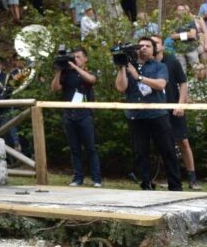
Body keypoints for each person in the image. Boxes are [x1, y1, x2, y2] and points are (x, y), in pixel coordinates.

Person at [115, 36, 182, 191]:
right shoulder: (128, 67)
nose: (143, 48)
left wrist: (139, 77)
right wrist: (122, 68)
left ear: (154, 50)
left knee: (168, 151)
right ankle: (146, 184)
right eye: (141, 46)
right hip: (136, 115)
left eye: (147, 46)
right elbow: (121, 88)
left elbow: (161, 84)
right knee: (140, 153)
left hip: (157, 114)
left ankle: (175, 186)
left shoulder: (159, 66)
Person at [51, 47, 101, 187]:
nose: (75, 59)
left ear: (85, 59)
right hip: (69, 114)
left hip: (85, 114)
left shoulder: (87, 72)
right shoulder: (66, 73)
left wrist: (75, 66)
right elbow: (55, 88)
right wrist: (59, 71)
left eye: (78, 57)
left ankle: (96, 179)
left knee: (90, 147)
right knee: (74, 148)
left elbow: (91, 80)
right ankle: (78, 178)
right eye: (73, 57)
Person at [160, 39, 198, 190]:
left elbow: (183, 83)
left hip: (175, 108)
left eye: (156, 43)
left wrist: (180, 104)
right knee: (164, 144)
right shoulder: (147, 63)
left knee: (183, 142)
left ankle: (192, 178)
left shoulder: (172, 61)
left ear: (161, 45)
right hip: (158, 110)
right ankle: (169, 176)